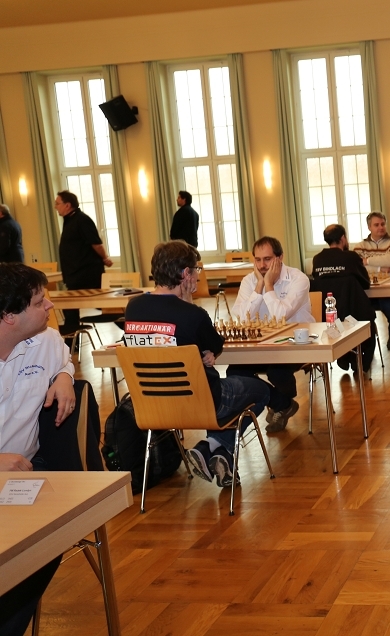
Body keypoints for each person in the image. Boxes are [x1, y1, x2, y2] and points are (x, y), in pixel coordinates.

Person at [124, 241, 270, 487]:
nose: (198, 277)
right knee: (262, 390)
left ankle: (216, 451)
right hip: (200, 403)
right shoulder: (193, 315)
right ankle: (211, 446)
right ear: (185, 274)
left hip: (153, 405)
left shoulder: (133, 307)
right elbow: (216, 344)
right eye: (196, 271)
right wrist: (187, 303)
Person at [0, 263, 77, 636]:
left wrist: (64, 377)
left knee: (48, 538)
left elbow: (64, 358)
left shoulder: (44, 341)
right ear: (8, 316)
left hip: (24, 480)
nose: (49, 305)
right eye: (38, 301)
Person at [227, 236, 313, 434]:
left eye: (267, 259)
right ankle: (282, 403)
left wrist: (270, 286)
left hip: (295, 345)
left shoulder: (298, 279)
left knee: (277, 370)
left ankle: (278, 404)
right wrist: (259, 286)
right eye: (257, 260)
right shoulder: (249, 281)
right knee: (235, 372)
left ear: (280, 257)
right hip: (260, 346)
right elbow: (240, 318)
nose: (262, 265)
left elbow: (280, 315)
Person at [311, 224, 376, 375]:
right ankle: (361, 364)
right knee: (370, 323)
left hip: (328, 316)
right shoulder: (351, 257)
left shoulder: (317, 259)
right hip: (354, 314)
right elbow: (365, 282)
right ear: (343, 239)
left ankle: (344, 356)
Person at [55, 190, 112, 338]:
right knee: (70, 309)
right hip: (75, 274)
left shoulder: (82, 220)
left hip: (86, 273)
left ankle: (70, 344)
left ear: (68, 205)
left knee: (106, 306)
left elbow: (96, 243)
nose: (55, 207)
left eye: (57, 203)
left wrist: (105, 258)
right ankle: (71, 344)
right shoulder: (69, 221)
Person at [352, 212, 390, 350]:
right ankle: (368, 343)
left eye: (382, 224)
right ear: (369, 227)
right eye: (376, 225)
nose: (381, 227)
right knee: (359, 310)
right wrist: (382, 267)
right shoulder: (359, 246)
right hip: (368, 292)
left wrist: (367, 261)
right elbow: (357, 266)